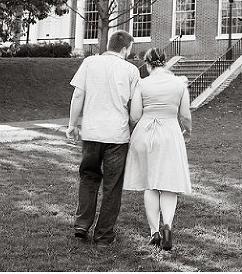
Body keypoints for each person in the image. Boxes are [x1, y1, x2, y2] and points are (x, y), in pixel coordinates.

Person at [66, 30, 141, 244]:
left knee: (88, 177)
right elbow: (135, 109)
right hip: (117, 136)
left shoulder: (90, 63)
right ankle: (104, 233)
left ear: (109, 45)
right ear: (126, 49)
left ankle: (81, 225)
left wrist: (72, 124)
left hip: (91, 133)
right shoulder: (131, 70)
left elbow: (78, 94)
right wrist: (134, 124)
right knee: (112, 185)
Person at [123, 47, 192, 251]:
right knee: (169, 183)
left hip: (146, 133)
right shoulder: (179, 84)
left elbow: (135, 116)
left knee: (150, 184)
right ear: (165, 62)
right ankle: (168, 227)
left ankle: (154, 232)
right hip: (170, 133)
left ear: (147, 63)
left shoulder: (142, 84)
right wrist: (187, 131)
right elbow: (185, 115)